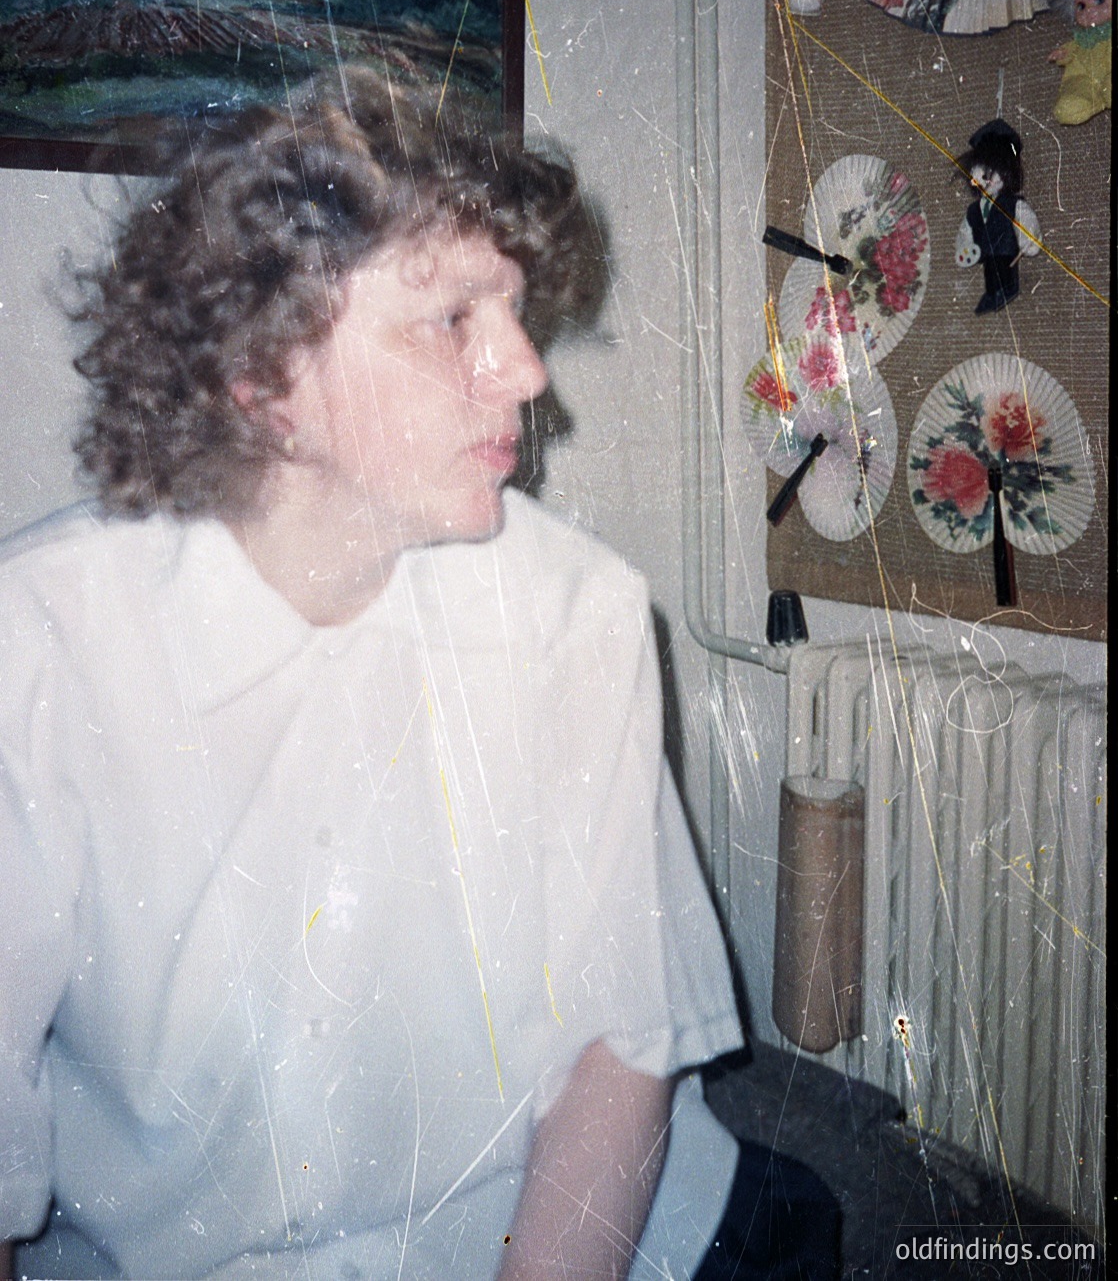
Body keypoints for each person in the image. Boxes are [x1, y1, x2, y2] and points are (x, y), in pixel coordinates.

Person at [0, 69, 839, 1281]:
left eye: (512, 311)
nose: (527, 372)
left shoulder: (576, 613)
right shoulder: (38, 641)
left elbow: (617, 1047)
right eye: (451, 320)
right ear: (260, 377)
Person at [953, 118, 1041, 316]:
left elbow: (1025, 219)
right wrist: (965, 248)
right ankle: (992, 294)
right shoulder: (974, 210)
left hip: (1005, 251)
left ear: (1006, 173)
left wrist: (1029, 238)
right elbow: (966, 230)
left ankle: (1005, 290)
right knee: (990, 274)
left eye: (989, 175)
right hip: (984, 251)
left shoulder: (1013, 204)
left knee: (1003, 272)